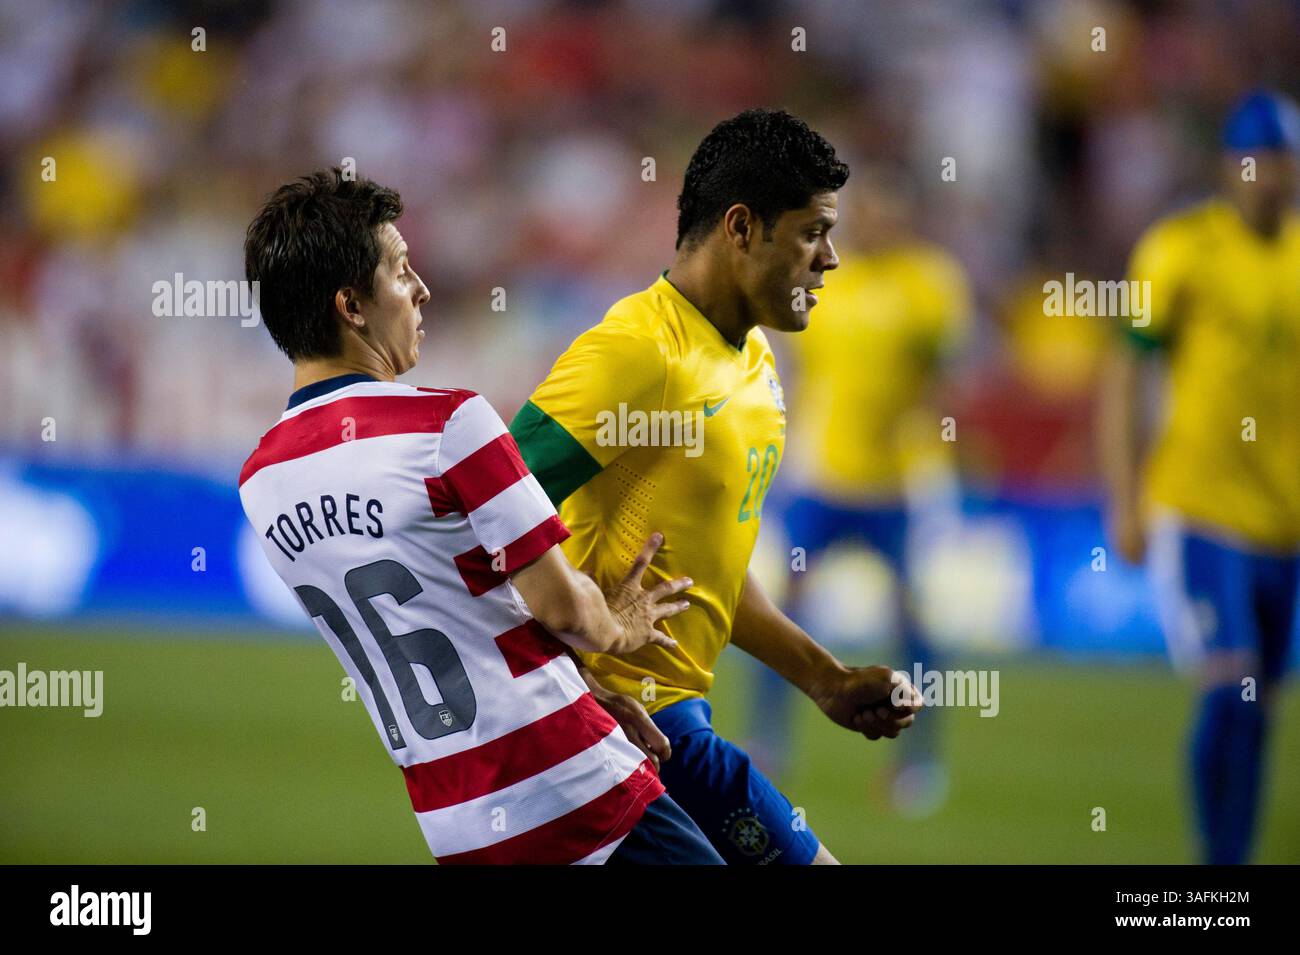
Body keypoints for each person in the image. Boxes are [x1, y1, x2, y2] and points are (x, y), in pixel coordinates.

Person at [239, 169, 723, 864]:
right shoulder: (448, 423)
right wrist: (618, 625)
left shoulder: (261, 480)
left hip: (459, 828)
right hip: (578, 794)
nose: (422, 289)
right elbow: (564, 609)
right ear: (351, 305)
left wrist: (579, 691)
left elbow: (446, 619)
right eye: (402, 270)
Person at [510, 109, 923, 866]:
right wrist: (576, 679)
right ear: (741, 227)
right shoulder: (639, 351)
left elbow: (710, 577)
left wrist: (824, 679)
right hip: (603, 735)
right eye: (812, 232)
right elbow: (484, 508)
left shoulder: (757, 366)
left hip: (670, 728)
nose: (831, 259)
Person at [1100, 90, 1300, 864]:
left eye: (1282, 161)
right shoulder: (1181, 251)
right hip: (1201, 508)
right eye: (1257, 161)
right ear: (1230, 165)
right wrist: (1126, 496)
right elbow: (1126, 374)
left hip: (1285, 523)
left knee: (1259, 708)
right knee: (1229, 684)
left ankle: (1232, 866)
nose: (1270, 177)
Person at [746, 166, 970, 816]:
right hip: (823, 477)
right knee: (778, 615)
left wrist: (939, 450)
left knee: (916, 624)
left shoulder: (931, 284)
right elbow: (797, 369)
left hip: (900, 483)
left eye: (886, 212)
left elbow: (946, 376)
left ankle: (919, 761)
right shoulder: (823, 279)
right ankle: (769, 742)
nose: (874, 223)